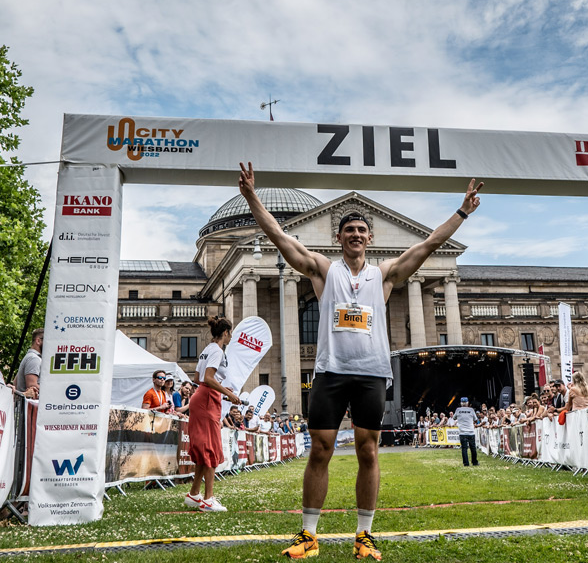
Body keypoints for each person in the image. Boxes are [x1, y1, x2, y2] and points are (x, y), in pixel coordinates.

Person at [239, 162, 483, 561]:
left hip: (371, 373)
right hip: (330, 371)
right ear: (338, 237)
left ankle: (364, 535)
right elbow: (280, 238)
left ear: (370, 238)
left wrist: (462, 212)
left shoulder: (384, 275)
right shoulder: (323, 270)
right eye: (349, 230)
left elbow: (428, 245)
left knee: (368, 451)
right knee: (321, 449)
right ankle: (308, 534)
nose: (355, 235)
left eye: (361, 230)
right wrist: (251, 197)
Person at [184, 315, 243, 512]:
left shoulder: (207, 349)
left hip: (203, 397)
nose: (231, 336)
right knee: (210, 448)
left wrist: (223, 393)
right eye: (230, 333)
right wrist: (228, 393)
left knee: (205, 448)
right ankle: (208, 499)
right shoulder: (217, 351)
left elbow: (198, 378)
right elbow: (208, 378)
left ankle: (194, 494)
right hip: (207, 400)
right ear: (225, 333)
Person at [15, 328, 44, 398]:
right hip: (29, 403)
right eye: (47, 341)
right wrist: (52, 391)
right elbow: (32, 386)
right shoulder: (34, 358)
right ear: (38, 341)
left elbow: (15, 382)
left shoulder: (30, 357)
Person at [454, 397, 479, 467]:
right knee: (473, 448)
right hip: (471, 431)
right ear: (467, 403)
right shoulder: (471, 410)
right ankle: (474, 462)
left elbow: (454, 417)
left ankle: (466, 463)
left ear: (461, 403)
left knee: (464, 448)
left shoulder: (458, 410)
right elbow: (476, 419)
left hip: (462, 432)